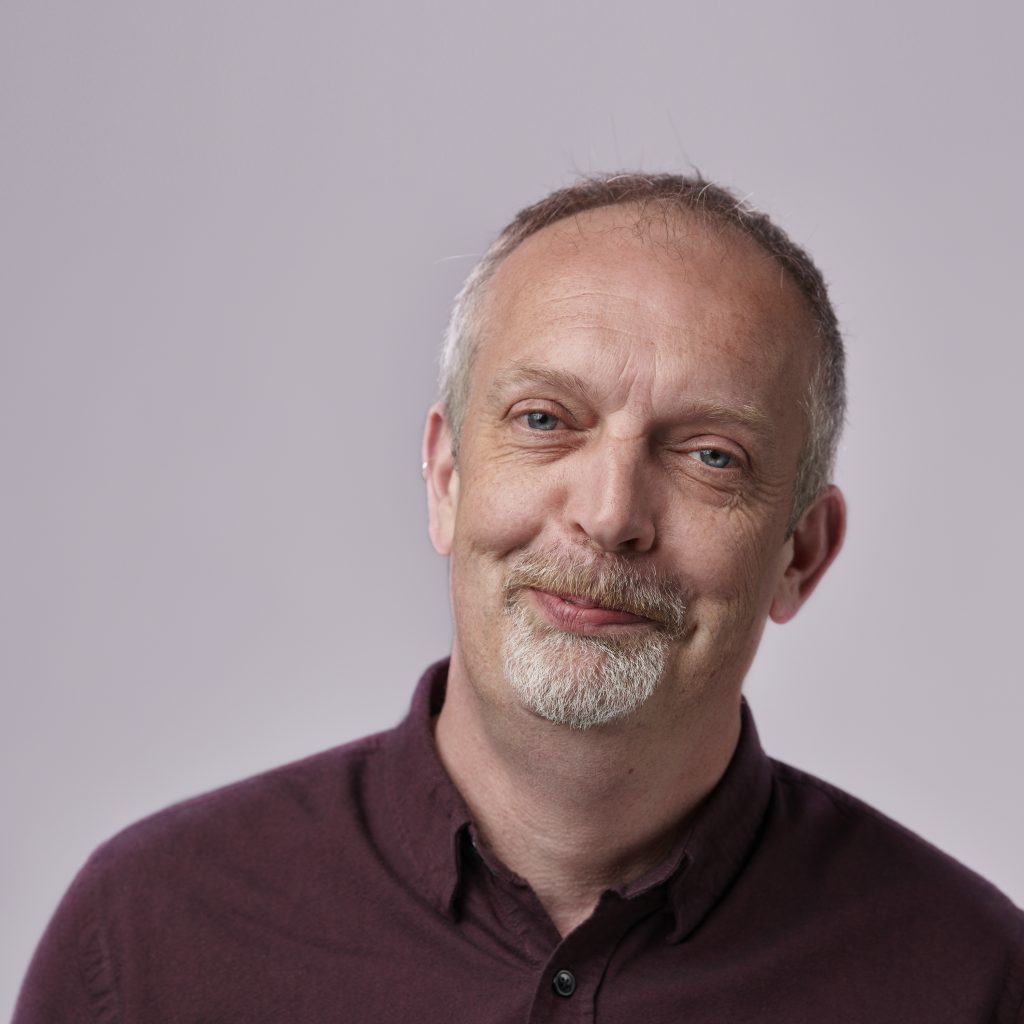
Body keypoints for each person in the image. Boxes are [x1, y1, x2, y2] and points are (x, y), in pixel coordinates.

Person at [15, 174, 1024, 1022]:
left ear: (801, 553)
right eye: (545, 419)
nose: (610, 511)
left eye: (711, 454)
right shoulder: (151, 939)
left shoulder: (970, 979)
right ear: (446, 478)